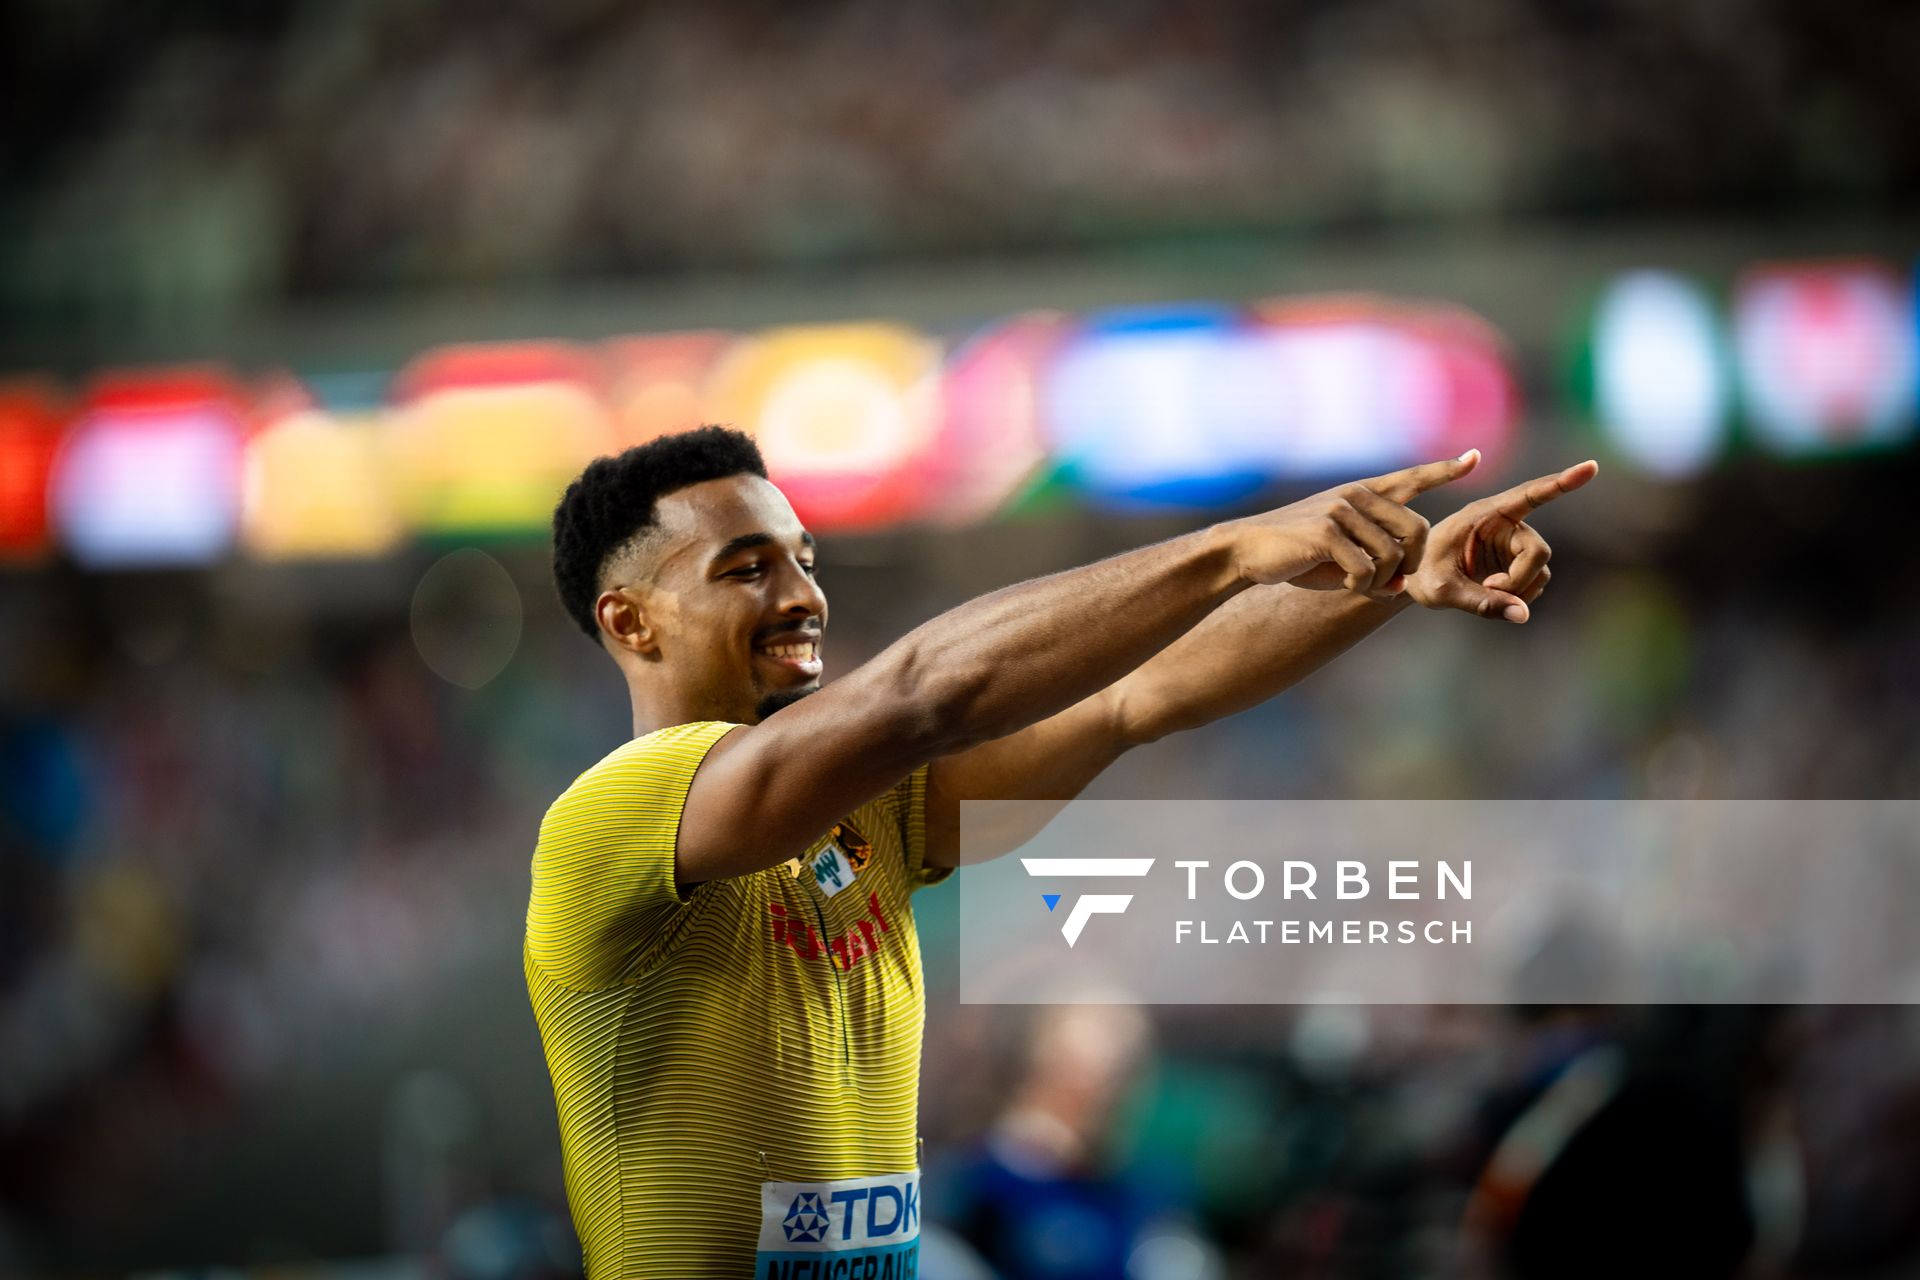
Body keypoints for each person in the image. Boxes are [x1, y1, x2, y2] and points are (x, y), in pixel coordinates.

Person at [524, 424, 1596, 1276]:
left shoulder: (874, 817)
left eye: (803, 559)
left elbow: (1141, 693)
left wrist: (1390, 581)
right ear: (631, 620)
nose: (802, 594)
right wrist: (1231, 547)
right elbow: (921, 695)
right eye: (746, 568)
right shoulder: (609, 819)